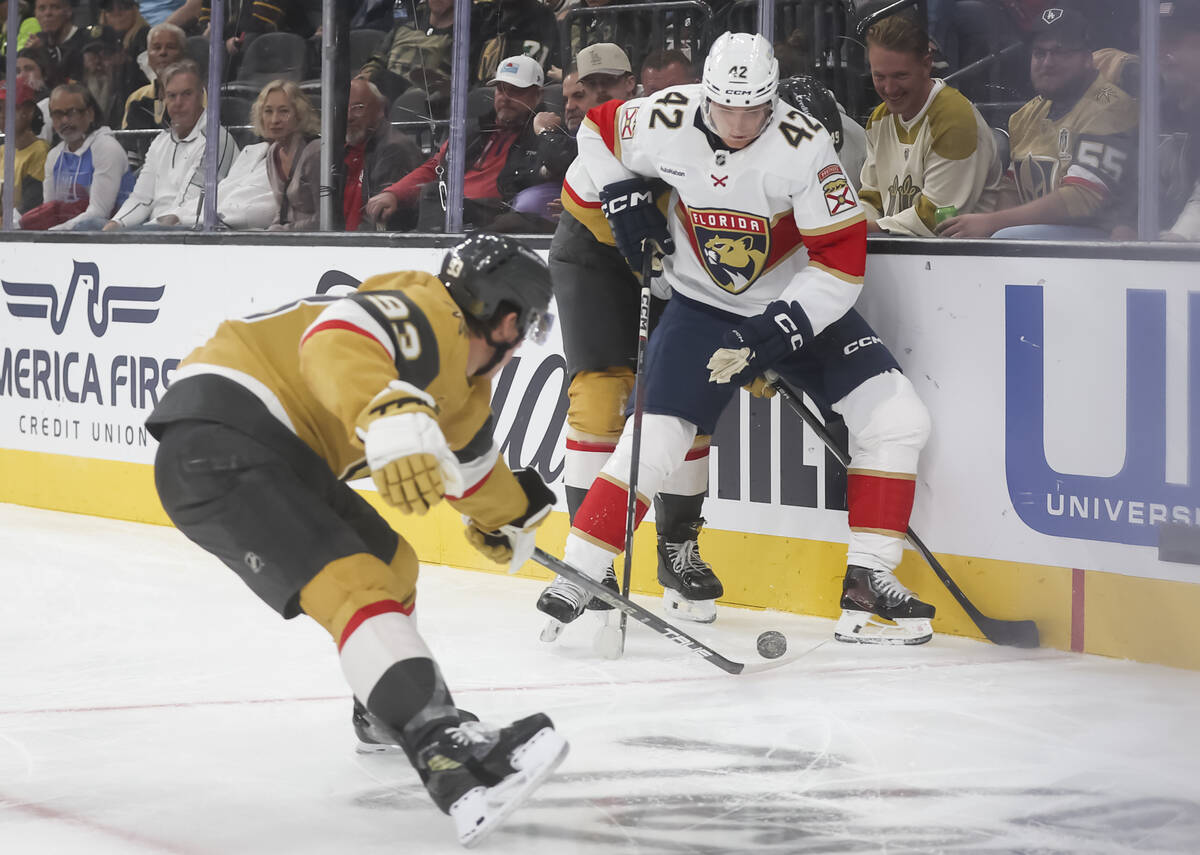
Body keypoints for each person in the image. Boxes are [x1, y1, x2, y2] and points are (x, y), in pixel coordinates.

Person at [145, 232, 567, 847]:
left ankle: (382, 709)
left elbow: (472, 479)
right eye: (527, 324)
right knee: (356, 584)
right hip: (224, 436)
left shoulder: (464, 389)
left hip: (278, 454)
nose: (523, 338)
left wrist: (512, 516)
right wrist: (388, 409)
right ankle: (440, 743)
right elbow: (336, 340)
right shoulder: (429, 311)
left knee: (390, 561)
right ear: (505, 320)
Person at [541, 31, 936, 645]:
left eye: (755, 108)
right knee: (659, 436)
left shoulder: (805, 148)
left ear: (773, 98)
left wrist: (777, 331)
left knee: (897, 419)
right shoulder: (666, 113)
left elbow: (840, 263)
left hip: (793, 305)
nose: (740, 122)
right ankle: (582, 570)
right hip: (700, 305)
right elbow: (594, 129)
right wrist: (620, 193)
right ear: (707, 94)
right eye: (727, 107)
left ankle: (869, 585)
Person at [938, 5, 1138, 239]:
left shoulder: (1110, 106)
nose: (1047, 62)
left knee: (1005, 237)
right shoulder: (1024, 116)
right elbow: (1012, 191)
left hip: (1102, 238)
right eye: (1039, 53)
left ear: (1087, 58)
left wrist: (992, 223)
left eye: (1061, 52)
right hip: (1043, 239)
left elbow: (1082, 198)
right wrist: (978, 228)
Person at [364, 55, 547, 231]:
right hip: (451, 211)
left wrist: (547, 131)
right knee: (396, 213)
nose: (505, 98)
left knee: (434, 193)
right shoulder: (474, 131)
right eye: (500, 89)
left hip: (495, 218)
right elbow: (435, 167)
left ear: (537, 95)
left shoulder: (543, 136)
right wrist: (394, 193)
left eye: (516, 91)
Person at [857, 13, 1002, 237]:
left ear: (926, 64)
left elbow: (938, 218)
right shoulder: (879, 119)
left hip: (959, 261)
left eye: (900, 76)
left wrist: (859, 231)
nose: (890, 89)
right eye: (879, 77)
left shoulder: (955, 119)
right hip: (897, 253)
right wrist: (857, 225)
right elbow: (871, 197)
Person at [102, 61, 238, 229]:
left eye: (186, 94)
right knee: (90, 225)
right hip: (155, 230)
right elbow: (142, 198)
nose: (178, 102)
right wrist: (115, 224)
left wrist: (140, 233)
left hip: (191, 232)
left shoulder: (216, 140)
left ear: (202, 95)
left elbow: (187, 208)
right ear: (164, 98)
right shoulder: (160, 142)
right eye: (172, 96)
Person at [281, 77, 421, 231]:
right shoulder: (342, 150)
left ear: (380, 109)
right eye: (344, 108)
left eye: (358, 108)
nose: (349, 117)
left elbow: (377, 222)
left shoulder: (394, 149)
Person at [24, 83, 130, 230]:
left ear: (90, 114)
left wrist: (54, 232)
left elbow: (99, 212)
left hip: (113, 232)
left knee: (89, 224)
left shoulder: (106, 148)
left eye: (72, 112)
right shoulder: (54, 156)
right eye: (57, 114)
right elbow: (49, 210)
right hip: (67, 232)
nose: (64, 121)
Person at [216, 79, 318, 229]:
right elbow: (282, 211)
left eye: (284, 111)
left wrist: (285, 231)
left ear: (299, 114)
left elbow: (327, 219)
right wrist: (273, 230)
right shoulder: (273, 153)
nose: (275, 120)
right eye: (268, 111)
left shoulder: (314, 152)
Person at [121, 21, 189, 169]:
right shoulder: (137, 99)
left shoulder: (199, 95)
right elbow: (128, 149)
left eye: (170, 47)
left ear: (183, 54)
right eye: (156, 48)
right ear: (148, 55)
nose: (162, 52)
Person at [0, 77, 49, 214]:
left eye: (5, 108)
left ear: (28, 111)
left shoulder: (39, 152)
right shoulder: (2, 151)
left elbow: (29, 209)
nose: (1, 115)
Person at [25, 0, 86, 83]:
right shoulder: (37, 41)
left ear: (68, 11)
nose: (47, 13)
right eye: (42, 8)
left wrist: (42, 52)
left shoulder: (84, 42)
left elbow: (66, 86)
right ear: (35, 14)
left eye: (55, 7)